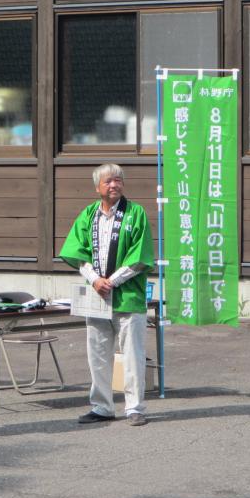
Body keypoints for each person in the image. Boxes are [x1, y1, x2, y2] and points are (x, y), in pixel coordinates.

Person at [59, 163, 154, 426]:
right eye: (108, 181)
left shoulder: (135, 214)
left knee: (132, 354)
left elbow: (140, 257)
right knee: (98, 353)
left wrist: (109, 281)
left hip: (127, 295)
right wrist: (94, 279)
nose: (114, 185)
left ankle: (135, 408)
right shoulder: (89, 214)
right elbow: (78, 252)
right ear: (97, 187)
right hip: (96, 296)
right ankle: (102, 406)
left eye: (118, 180)